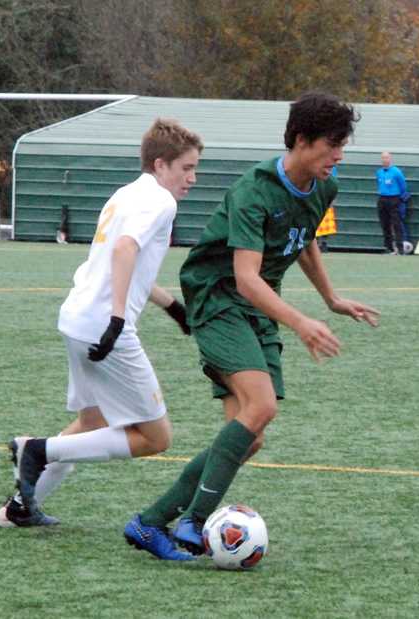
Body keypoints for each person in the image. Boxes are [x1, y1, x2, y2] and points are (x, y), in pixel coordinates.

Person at [122, 92, 380, 560]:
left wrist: (332, 299)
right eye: (332, 144)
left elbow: (304, 242)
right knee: (261, 405)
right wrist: (301, 321)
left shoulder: (325, 186)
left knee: (249, 435)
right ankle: (195, 523)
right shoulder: (253, 191)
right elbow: (244, 277)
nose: (339, 155)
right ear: (302, 140)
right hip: (218, 296)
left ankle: (149, 522)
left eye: (343, 145)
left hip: (259, 305)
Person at [0, 120, 203, 549]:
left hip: (76, 318)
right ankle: (36, 449)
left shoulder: (125, 193)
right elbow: (126, 250)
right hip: (102, 328)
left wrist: (171, 307)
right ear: (160, 164)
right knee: (156, 437)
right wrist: (116, 321)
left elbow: (118, 258)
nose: (192, 178)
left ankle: (18, 507)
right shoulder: (161, 203)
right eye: (186, 168)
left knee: (93, 421)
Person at [375, 151, 407, 254]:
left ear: (390, 159)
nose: (385, 160)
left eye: (387, 158)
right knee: (385, 224)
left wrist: (399, 198)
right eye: (383, 158)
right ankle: (389, 247)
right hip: (382, 199)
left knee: (396, 224)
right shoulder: (379, 172)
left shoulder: (396, 171)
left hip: (394, 199)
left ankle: (400, 248)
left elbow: (403, 186)